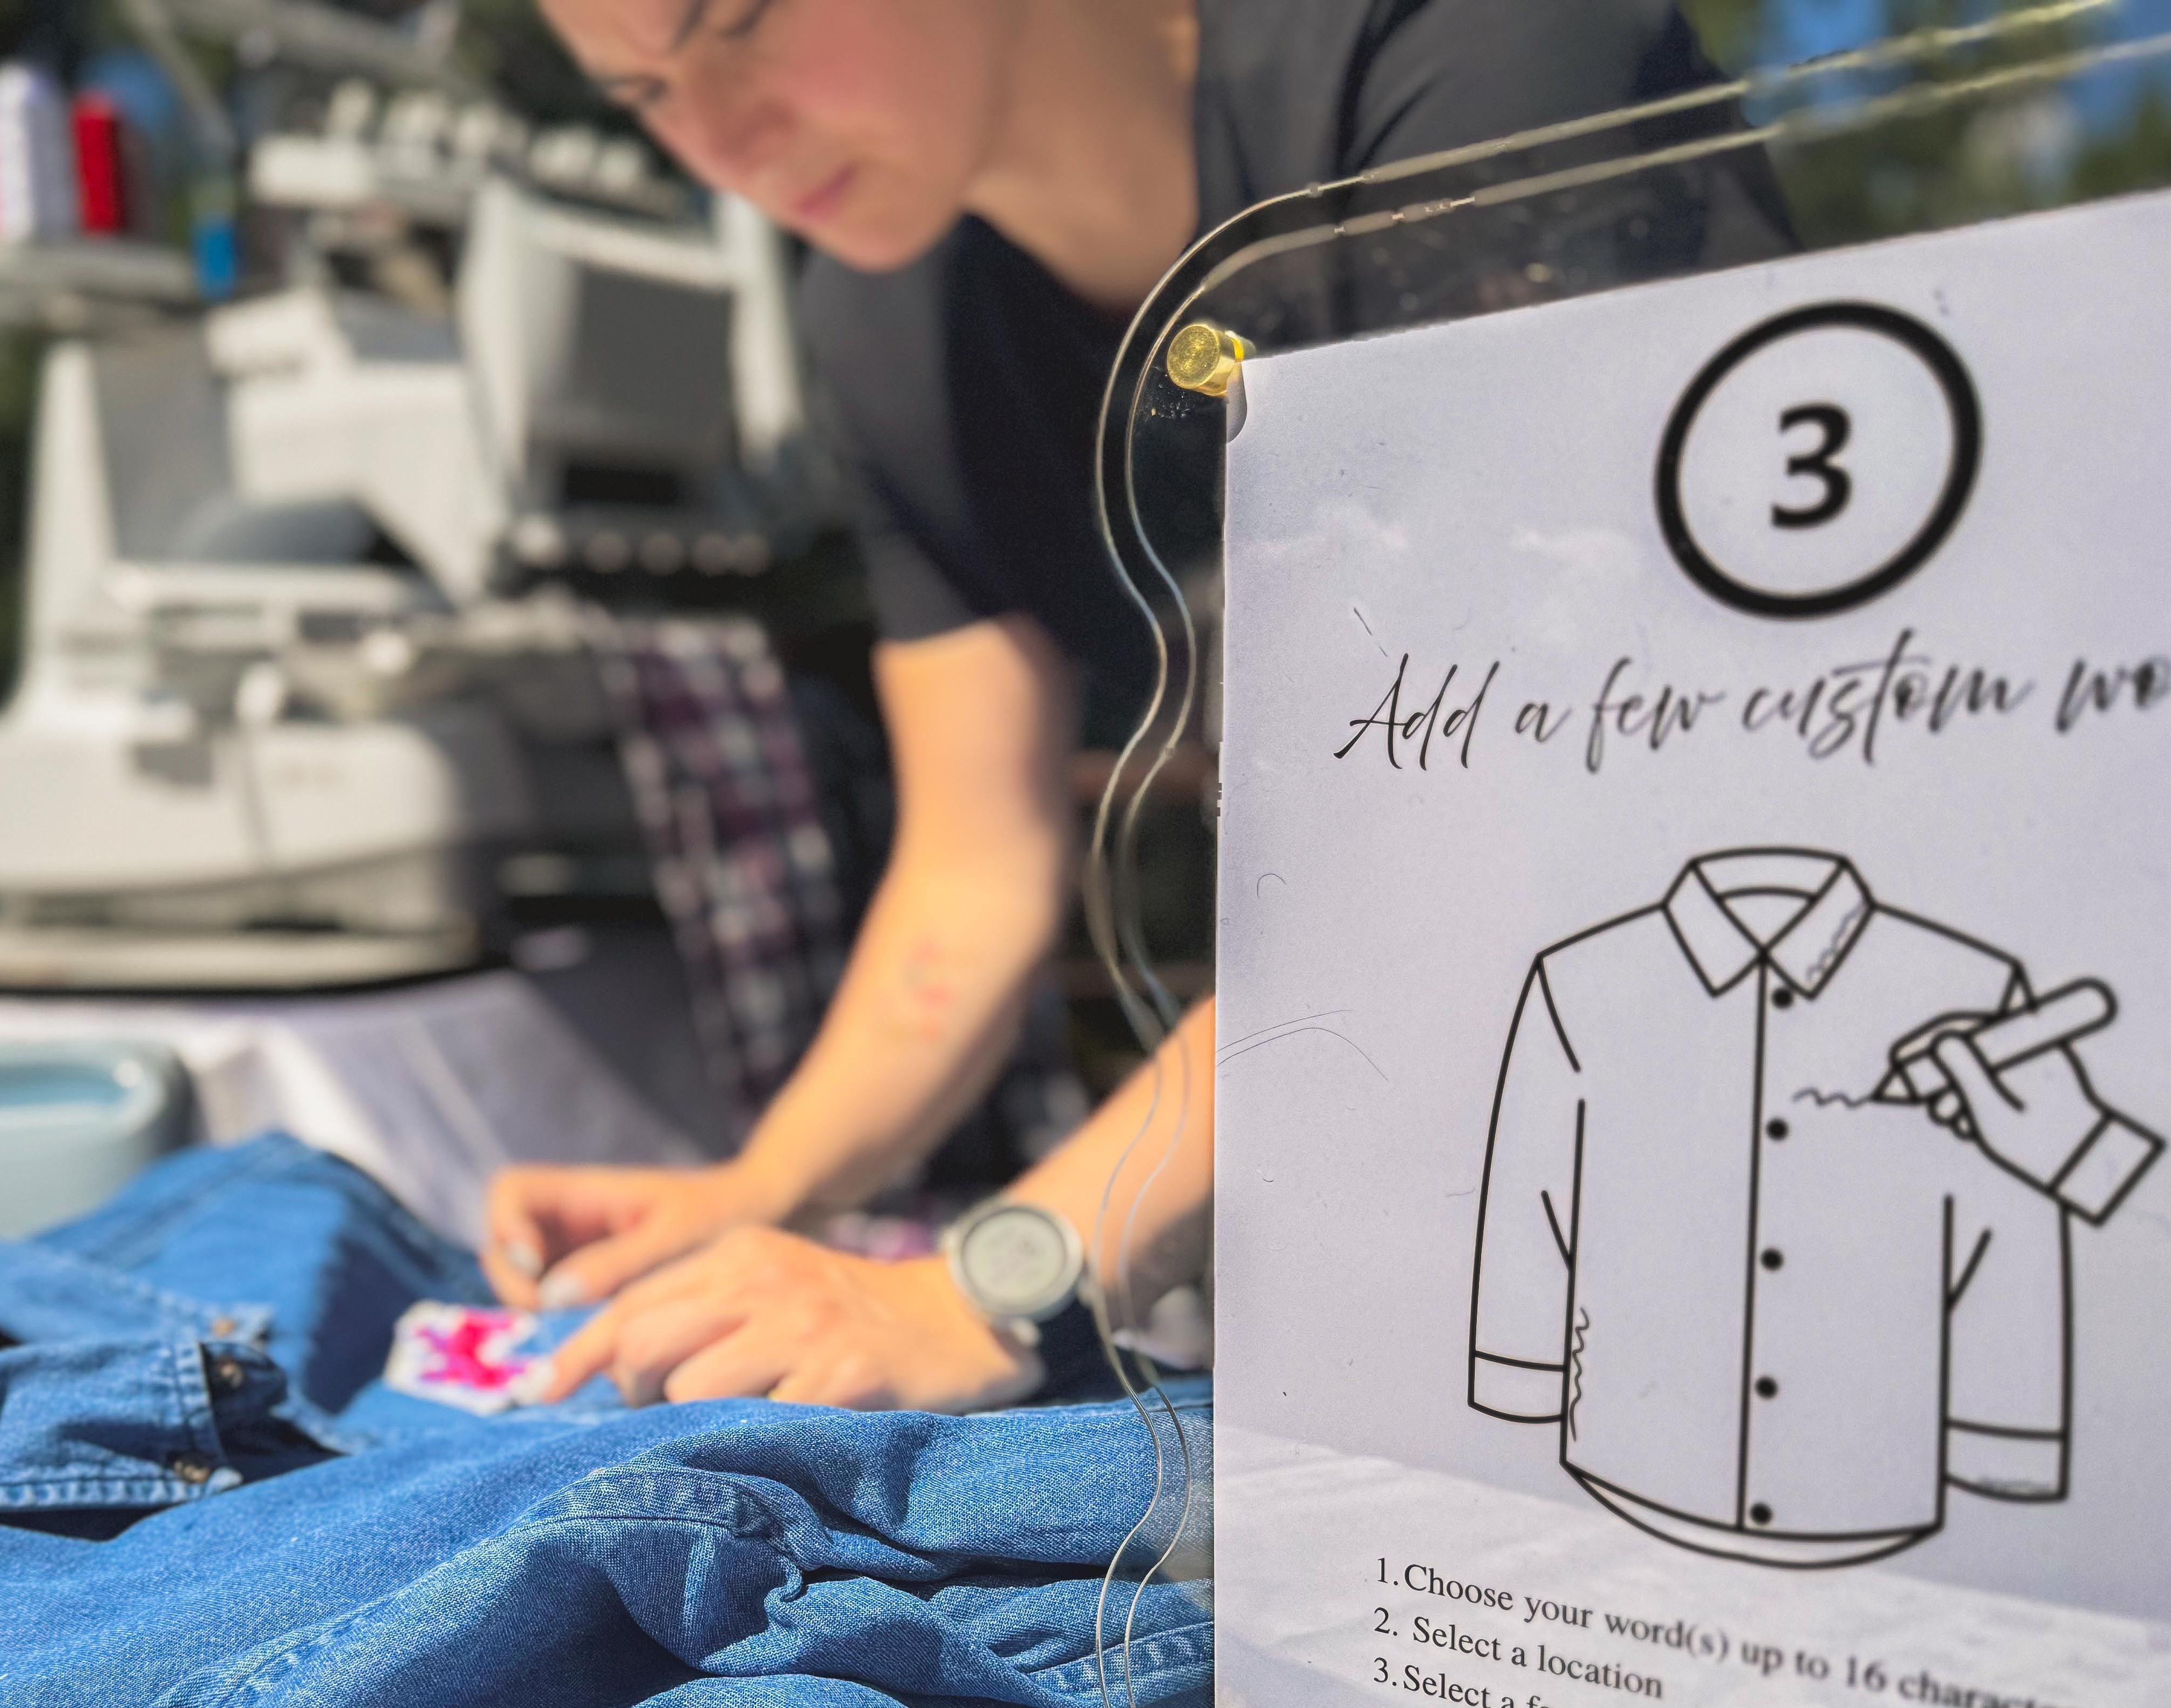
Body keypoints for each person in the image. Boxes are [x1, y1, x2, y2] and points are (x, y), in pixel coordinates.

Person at [489, 0, 1762, 1412]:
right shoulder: (890, 323)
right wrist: (759, 1190)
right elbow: (974, 868)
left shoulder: (1465, 58)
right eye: (639, 91)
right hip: (1439, 1171)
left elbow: (1528, 818)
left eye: (739, 20)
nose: (717, 141)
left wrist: (996, 1276)